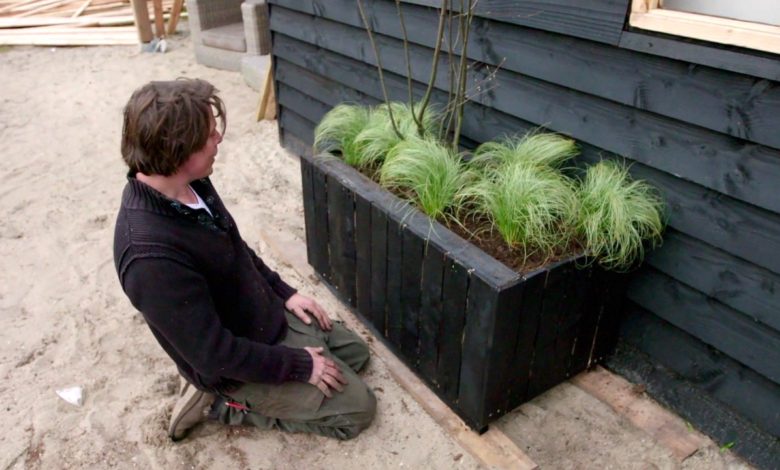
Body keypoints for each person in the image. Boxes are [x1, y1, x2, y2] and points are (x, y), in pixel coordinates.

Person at [113, 78, 376, 441]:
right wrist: (298, 365)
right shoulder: (149, 259)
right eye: (208, 135)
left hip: (259, 316)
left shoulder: (190, 183)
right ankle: (224, 407)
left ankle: (292, 355)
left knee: (357, 356)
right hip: (230, 367)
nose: (218, 138)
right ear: (177, 152)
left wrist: (284, 292)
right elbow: (213, 354)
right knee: (359, 408)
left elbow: (234, 248)